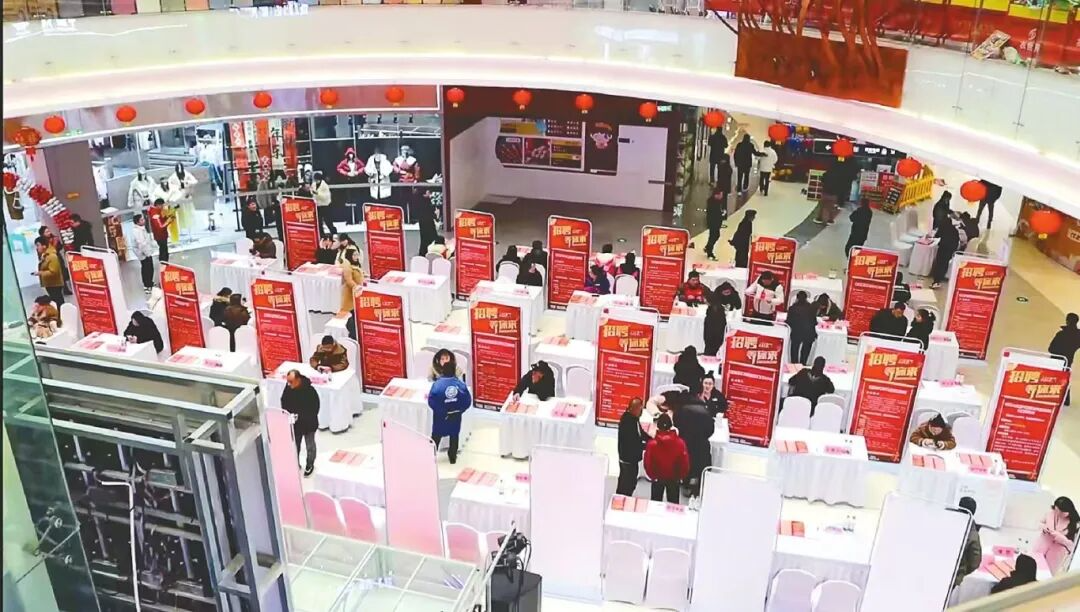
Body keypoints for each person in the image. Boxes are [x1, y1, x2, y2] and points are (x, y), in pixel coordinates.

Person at [670, 390, 713, 497]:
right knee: (700, 465)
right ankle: (698, 489)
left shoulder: (681, 409)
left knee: (686, 464)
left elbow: (676, 424)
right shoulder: (705, 410)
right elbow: (710, 430)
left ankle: (686, 485)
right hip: (701, 443)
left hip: (686, 442)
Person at [428, 359, 472, 464]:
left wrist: (441, 411)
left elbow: (431, 401)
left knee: (436, 437)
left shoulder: (437, 385)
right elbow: (467, 401)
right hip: (455, 417)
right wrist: (459, 411)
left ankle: (429, 455)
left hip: (440, 418)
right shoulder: (460, 385)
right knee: (454, 436)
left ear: (443, 371)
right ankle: (452, 457)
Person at [280, 370, 320, 476]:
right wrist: (288, 414)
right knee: (295, 446)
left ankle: (310, 464)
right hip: (295, 424)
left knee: (310, 445)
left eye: (291, 382)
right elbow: (284, 401)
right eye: (288, 381)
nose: (289, 384)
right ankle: (295, 464)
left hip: (309, 424)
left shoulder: (310, 391)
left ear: (298, 380)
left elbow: (315, 407)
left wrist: (301, 416)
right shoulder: (288, 389)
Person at [643, 413, 689, 503]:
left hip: (657, 478)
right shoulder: (680, 443)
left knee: (655, 504)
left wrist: (652, 475)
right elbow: (684, 462)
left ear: (658, 426)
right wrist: (680, 476)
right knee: (673, 504)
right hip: (674, 478)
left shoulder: (652, 444)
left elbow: (648, 462)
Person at [1034, 496, 1079, 573]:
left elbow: (1073, 547)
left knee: (1047, 573)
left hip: (1057, 553)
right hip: (1042, 544)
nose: (1057, 513)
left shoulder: (1075, 524)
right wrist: (1044, 527)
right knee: (1034, 566)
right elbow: (1038, 523)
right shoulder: (1050, 513)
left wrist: (1062, 539)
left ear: (1069, 511)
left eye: (1061, 512)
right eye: (1056, 510)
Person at [617, 398, 649, 496]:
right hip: (627, 458)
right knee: (627, 483)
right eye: (640, 409)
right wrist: (646, 446)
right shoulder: (627, 422)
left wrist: (651, 440)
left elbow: (640, 433)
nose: (641, 412)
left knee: (630, 482)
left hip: (632, 458)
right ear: (634, 408)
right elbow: (632, 442)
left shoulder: (634, 419)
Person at [1048, 313, 1080, 406]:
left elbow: (1051, 348)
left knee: (1054, 378)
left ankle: (1052, 396)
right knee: (1065, 378)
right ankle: (1066, 399)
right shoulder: (1078, 335)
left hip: (1056, 359)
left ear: (1067, 321)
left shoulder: (1061, 334)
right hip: (1068, 360)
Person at [953, 497, 983, 591]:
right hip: (955, 575)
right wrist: (963, 570)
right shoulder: (972, 533)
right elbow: (974, 562)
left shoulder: (945, 519)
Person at [786, 291, 819, 365]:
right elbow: (814, 322)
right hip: (809, 333)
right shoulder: (811, 308)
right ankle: (803, 364)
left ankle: (795, 365)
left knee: (794, 349)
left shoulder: (792, 308)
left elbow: (789, 322)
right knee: (805, 351)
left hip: (796, 333)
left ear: (797, 298)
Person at [129, 213, 157, 294]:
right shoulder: (137, 231)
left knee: (149, 268)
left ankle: (150, 283)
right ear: (137, 222)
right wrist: (147, 253)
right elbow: (141, 244)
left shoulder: (141, 229)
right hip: (143, 253)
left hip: (146, 252)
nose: (144, 221)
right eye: (141, 220)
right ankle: (147, 286)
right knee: (146, 269)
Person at [34, 237, 65, 307]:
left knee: (58, 301)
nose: (37, 248)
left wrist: (40, 273)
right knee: (56, 301)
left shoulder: (52, 256)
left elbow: (54, 272)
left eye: (38, 245)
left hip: (55, 284)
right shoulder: (44, 255)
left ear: (44, 246)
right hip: (50, 283)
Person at [703, 185, 728, 260]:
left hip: (716, 222)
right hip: (713, 222)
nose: (721, 196)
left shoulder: (717, 201)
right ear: (716, 195)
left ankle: (708, 247)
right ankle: (709, 252)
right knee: (713, 236)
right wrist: (722, 214)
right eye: (720, 195)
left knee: (715, 236)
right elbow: (714, 213)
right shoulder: (712, 202)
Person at [339, 247, 365, 315]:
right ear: (349, 255)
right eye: (354, 255)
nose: (357, 257)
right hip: (350, 293)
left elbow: (358, 273)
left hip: (356, 292)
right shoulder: (347, 267)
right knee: (350, 312)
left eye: (357, 255)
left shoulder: (355, 263)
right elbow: (349, 280)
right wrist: (357, 287)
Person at [148, 198, 172, 263]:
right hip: (160, 235)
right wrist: (168, 221)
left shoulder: (157, 212)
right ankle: (164, 263)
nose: (163, 207)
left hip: (161, 234)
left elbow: (162, 220)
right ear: (158, 205)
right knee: (163, 250)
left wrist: (167, 219)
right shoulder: (155, 214)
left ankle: (164, 263)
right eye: (162, 205)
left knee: (163, 249)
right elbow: (160, 226)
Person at [311, 171, 334, 236]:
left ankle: (333, 232)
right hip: (317, 205)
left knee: (328, 220)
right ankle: (321, 234)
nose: (315, 181)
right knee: (318, 221)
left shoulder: (325, 186)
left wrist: (317, 193)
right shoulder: (313, 184)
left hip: (325, 205)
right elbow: (312, 192)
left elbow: (326, 197)